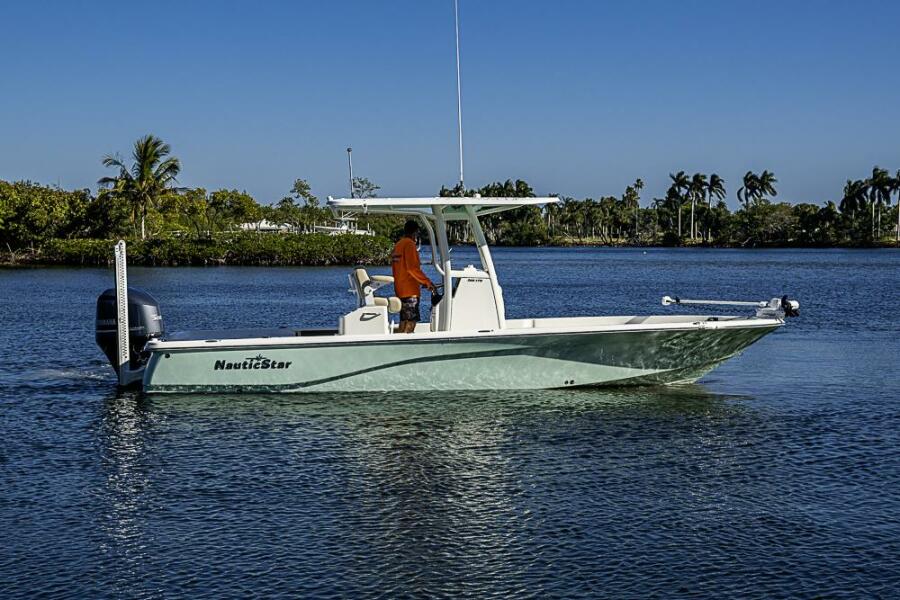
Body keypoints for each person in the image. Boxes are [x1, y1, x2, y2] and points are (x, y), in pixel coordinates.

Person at [391, 220, 436, 333]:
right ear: (415, 232)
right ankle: (405, 344)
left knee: (404, 320)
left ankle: (399, 342)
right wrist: (427, 282)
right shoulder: (410, 245)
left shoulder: (399, 245)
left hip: (400, 289)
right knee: (411, 321)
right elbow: (412, 269)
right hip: (410, 291)